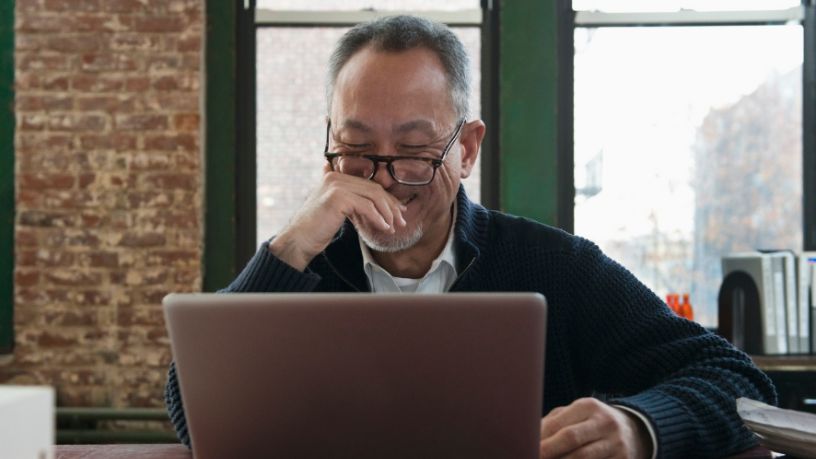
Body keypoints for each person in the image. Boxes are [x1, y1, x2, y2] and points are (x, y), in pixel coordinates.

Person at [165, 15, 776, 458]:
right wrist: (289, 247)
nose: (387, 179)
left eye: (414, 152)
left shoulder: (554, 265)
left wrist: (641, 427)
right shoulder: (301, 263)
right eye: (355, 150)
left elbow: (740, 384)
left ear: (467, 149)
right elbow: (194, 413)